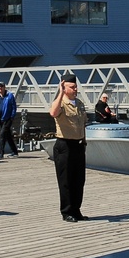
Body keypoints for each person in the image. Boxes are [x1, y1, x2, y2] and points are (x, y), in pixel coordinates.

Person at [49, 73, 88, 223]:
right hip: (64, 146)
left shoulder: (79, 103)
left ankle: (76, 210)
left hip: (78, 145)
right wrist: (60, 93)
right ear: (64, 88)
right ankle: (66, 212)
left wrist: (84, 142)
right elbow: (53, 113)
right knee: (65, 181)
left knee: (79, 180)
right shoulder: (60, 103)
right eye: (72, 87)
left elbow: (83, 124)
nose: (75, 89)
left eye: (76, 86)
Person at [0, 81, 20, 159]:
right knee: (8, 135)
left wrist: (12, 116)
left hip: (8, 118)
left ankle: (1, 154)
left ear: (4, 87)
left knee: (2, 134)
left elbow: (13, 106)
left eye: (1, 86)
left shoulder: (10, 96)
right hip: (1, 118)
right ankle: (15, 151)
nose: (0, 88)